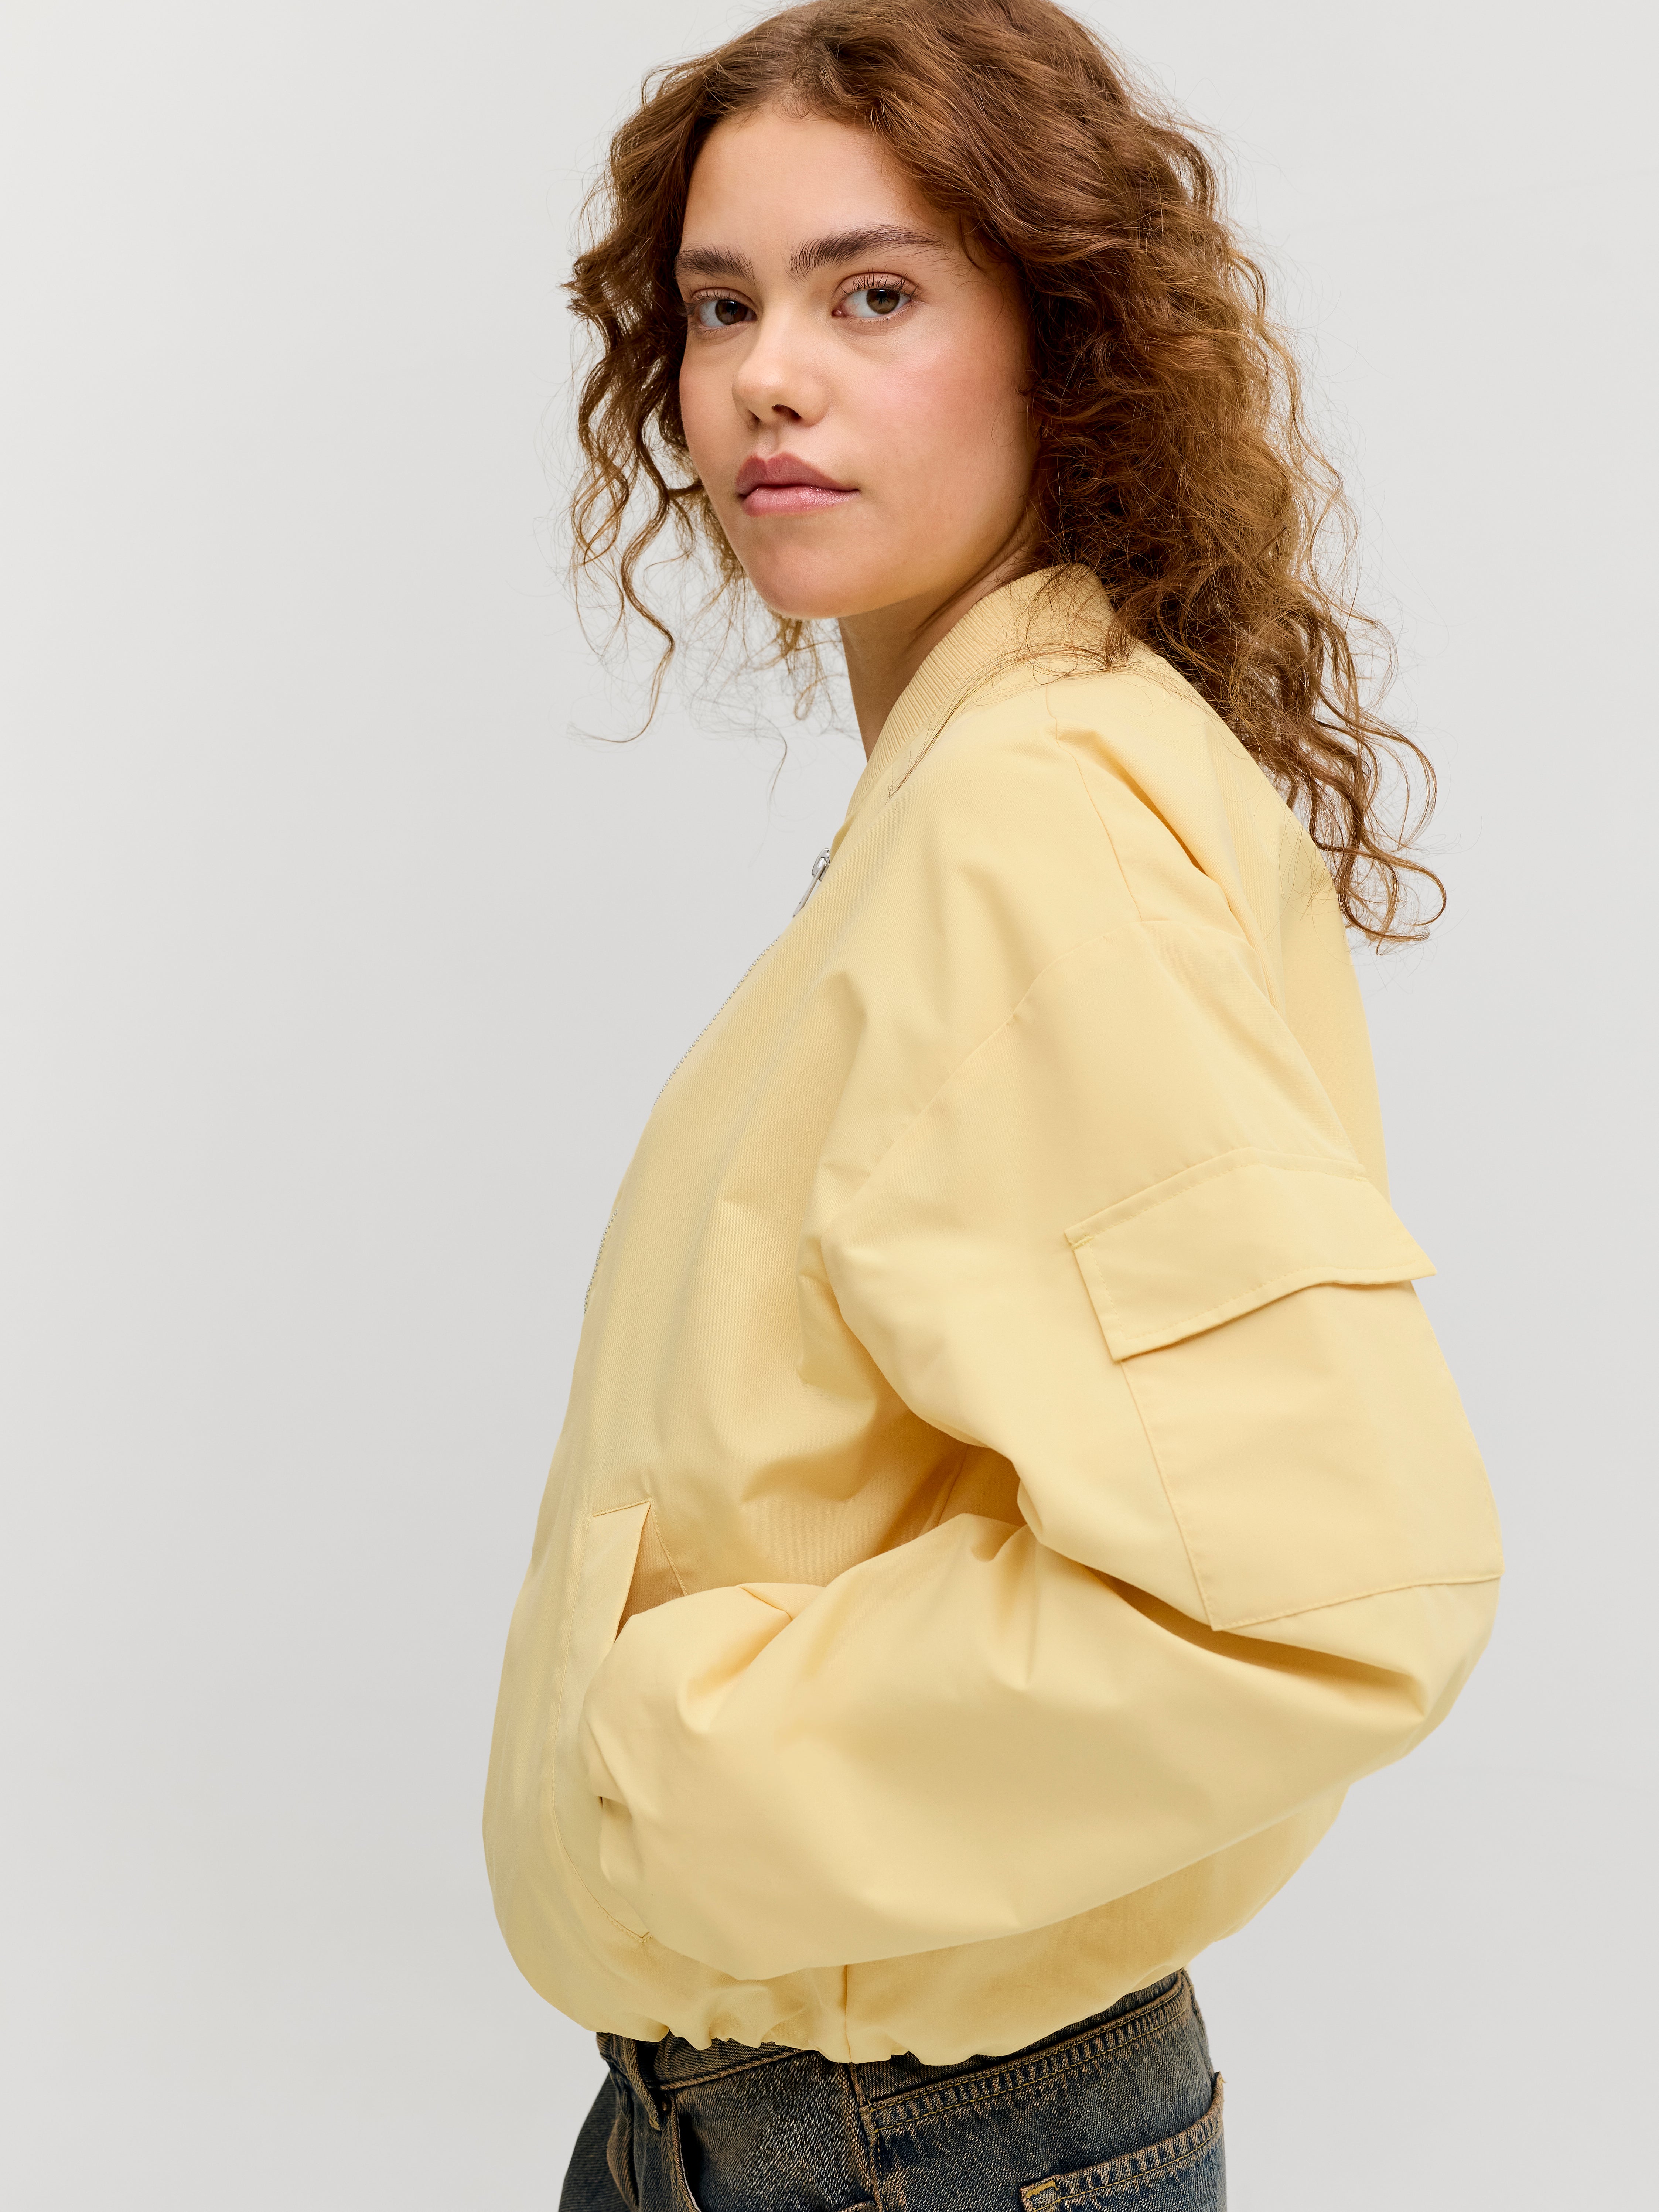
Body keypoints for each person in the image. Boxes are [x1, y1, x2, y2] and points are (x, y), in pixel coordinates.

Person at [484, 4, 1504, 2204]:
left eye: (873, 296)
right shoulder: (1004, 769)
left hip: (906, 2140)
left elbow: (1322, 1592)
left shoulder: (1030, 822)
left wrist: (675, 1750)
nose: (770, 377)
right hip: (817, 2110)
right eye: (722, 307)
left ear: (1068, 345)